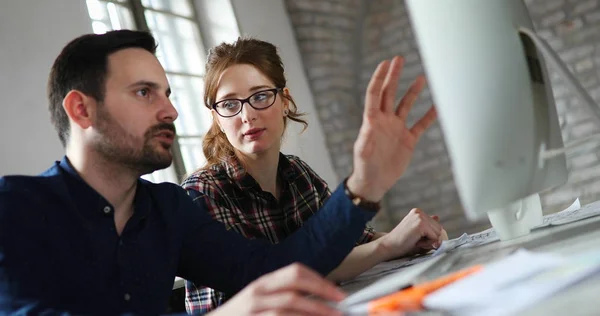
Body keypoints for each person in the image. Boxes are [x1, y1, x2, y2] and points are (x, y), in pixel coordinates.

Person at [0, 29, 438, 315]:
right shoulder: (13, 207)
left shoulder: (166, 209)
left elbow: (271, 268)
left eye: (167, 93)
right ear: (81, 109)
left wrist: (365, 184)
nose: (170, 110)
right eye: (143, 92)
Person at [181, 38, 447, 313]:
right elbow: (264, 291)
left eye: (260, 96)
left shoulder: (297, 174)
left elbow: (348, 243)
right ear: (217, 119)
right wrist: (389, 245)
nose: (247, 115)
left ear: (285, 101)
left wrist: (410, 237)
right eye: (229, 104)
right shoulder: (202, 193)